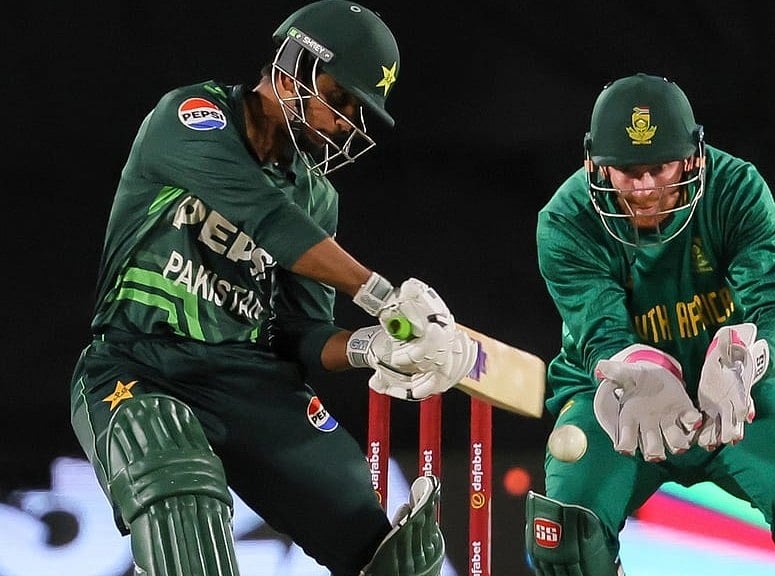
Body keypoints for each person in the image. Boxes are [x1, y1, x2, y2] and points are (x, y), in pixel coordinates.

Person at [68, 1, 476, 574]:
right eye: (339, 98)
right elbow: (269, 220)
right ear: (291, 68)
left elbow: (300, 331)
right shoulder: (191, 118)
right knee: (176, 495)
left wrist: (372, 347)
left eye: (356, 109)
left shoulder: (317, 198)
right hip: (140, 362)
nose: (343, 122)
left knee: (386, 554)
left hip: (248, 380)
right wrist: (384, 296)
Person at [526, 73, 775, 576]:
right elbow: (600, 332)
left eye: (659, 168)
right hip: (624, 398)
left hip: (729, 391)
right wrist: (640, 367)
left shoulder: (735, 189)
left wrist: (750, 356)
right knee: (566, 539)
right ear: (592, 164)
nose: (644, 188)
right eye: (626, 171)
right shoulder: (565, 219)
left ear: (693, 158)